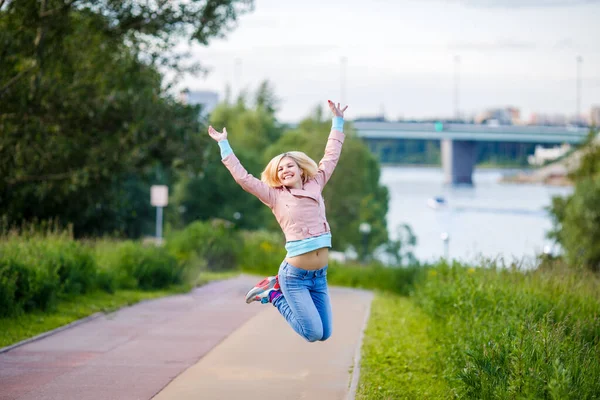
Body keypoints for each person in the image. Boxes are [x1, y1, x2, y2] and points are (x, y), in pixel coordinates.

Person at [207, 100, 348, 342]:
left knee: (325, 334)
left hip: (319, 276)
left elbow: (331, 155)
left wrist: (337, 121)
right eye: (280, 170)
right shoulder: (274, 196)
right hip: (293, 277)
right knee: (312, 333)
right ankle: (273, 294)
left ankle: (275, 292)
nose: (284, 171)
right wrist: (224, 145)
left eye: (289, 166)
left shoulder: (316, 183)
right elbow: (244, 179)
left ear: (301, 169)